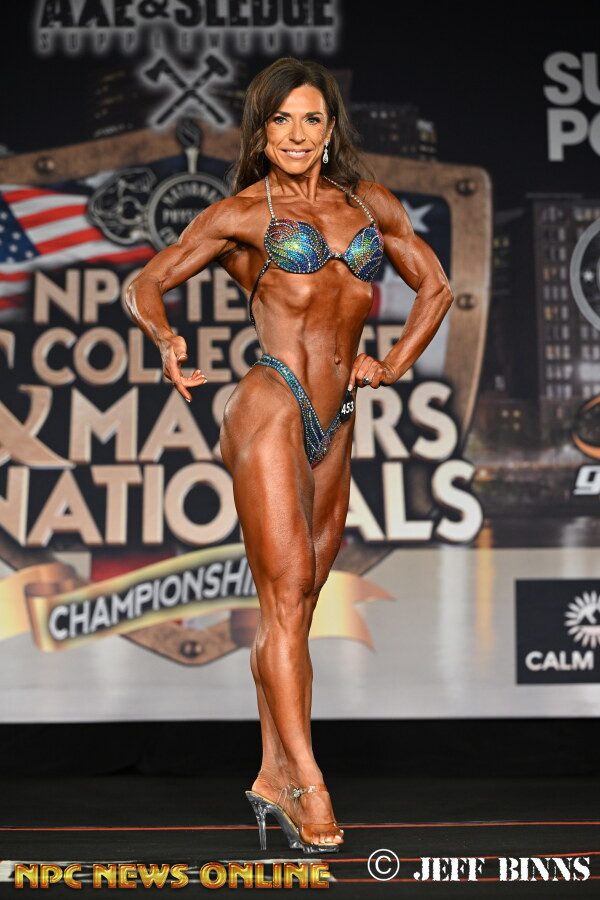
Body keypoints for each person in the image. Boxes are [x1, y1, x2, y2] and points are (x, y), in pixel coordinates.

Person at [125, 57, 453, 855]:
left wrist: (393, 363)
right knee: (283, 594)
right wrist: (165, 340)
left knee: (300, 604)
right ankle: (309, 781)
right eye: (282, 120)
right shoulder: (242, 212)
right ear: (262, 132)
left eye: (311, 119)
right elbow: (146, 283)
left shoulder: (367, 204)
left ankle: (272, 772)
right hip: (270, 402)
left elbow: (437, 287)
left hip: (337, 417)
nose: (298, 134)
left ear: (330, 128)